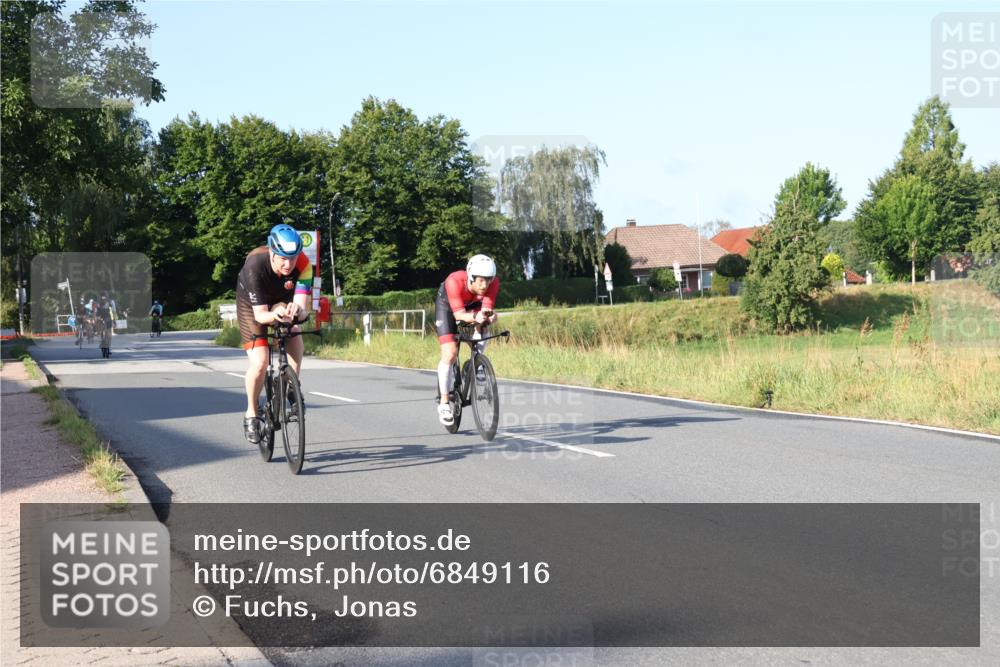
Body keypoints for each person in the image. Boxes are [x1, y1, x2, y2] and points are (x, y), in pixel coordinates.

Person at [235, 224, 312, 444]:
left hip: (280, 299)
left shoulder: (305, 266)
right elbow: (261, 316)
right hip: (252, 306)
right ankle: (251, 411)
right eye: (283, 259)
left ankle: (292, 386)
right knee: (260, 362)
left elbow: (301, 307)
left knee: (294, 331)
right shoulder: (255, 266)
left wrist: (296, 311)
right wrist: (275, 312)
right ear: (271, 252)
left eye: (293, 258)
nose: (289, 264)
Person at [434, 254, 500, 425]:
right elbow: (459, 315)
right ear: (471, 277)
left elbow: (485, 310)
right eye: (481, 281)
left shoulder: (493, 284)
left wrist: (490, 316)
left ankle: (476, 364)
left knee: (483, 323)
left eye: (488, 280)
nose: (485, 285)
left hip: (472, 305)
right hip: (448, 306)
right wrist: (474, 316)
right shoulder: (454, 281)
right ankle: (444, 403)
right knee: (450, 354)